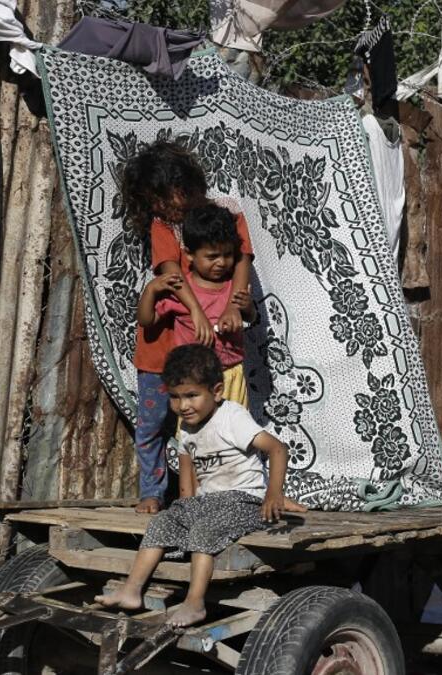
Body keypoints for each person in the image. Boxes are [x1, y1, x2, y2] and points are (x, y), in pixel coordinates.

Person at [95, 345, 305, 626]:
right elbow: (187, 474)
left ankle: (195, 603)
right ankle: (131, 590)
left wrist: (273, 494)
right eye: (175, 397)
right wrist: (183, 510)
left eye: (192, 395)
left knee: (204, 530)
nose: (183, 405)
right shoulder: (186, 427)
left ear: (216, 391)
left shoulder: (232, 417)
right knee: (162, 522)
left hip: (243, 500)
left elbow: (277, 449)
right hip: (207, 502)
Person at [121, 141, 256, 515]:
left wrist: (232, 305)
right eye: (155, 201)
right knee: (152, 424)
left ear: (189, 183)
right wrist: (195, 310)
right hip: (162, 343)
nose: (165, 206)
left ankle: (218, 494)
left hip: (206, 347)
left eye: (169, 195)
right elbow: (171, 274)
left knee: (214, 423)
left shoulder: (228, 214)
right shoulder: (164, 226)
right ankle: (153, 492)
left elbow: (242, 262)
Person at [137, 203, 256, 408]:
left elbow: (251, 317)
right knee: (194, 427)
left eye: (227, 255)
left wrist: (246, 307)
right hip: (191, 381)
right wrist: (150, 291)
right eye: (212, 257)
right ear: (189, 254)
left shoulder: (233, 289)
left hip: (230, 376)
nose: (221, 263)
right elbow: (146, 320)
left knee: (234, 426)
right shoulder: (182, 292)